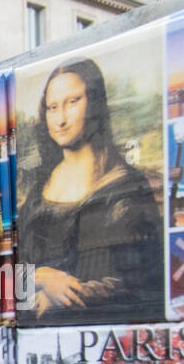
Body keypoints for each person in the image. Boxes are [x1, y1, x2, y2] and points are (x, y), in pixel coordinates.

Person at [18, 58, 164, 323]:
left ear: (95, 104)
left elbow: (140, 280)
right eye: (52, 107)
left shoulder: (124, 187)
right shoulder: (38, 192)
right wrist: (40, 278)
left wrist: (58, 298)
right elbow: (6, 278)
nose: (60, 119)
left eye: (72, 102)